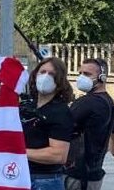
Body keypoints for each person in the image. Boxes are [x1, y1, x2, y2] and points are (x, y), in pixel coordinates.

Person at [64, 58, 114, 190]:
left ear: (102, 77)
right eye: (80, 73)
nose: (82, 78)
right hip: (93, 175)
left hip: (77, 176)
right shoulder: (109, 102)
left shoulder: (87, 103)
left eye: (87, 74)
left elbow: (61, 128)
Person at [20, 57, 74, 190]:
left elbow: (58, 155)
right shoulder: (27, 107)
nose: (45, 77)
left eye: (52, 74)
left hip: (45, 180)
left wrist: (19, 152)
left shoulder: (60, 112)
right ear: (35, 75)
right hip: (20, 175)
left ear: (59, 81)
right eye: (42, 72)